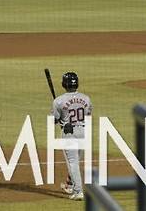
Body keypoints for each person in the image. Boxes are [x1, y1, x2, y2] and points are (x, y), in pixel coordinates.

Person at [51, 71, 92, 201]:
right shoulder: (86, 98)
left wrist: (60, 118)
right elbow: (88, 114)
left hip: (70, 134)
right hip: (83, 132)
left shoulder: (59, 101)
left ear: (64, 84)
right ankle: (70, 185)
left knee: (72, 162)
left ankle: (78, 191)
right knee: (76, 161)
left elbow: (54, 119)